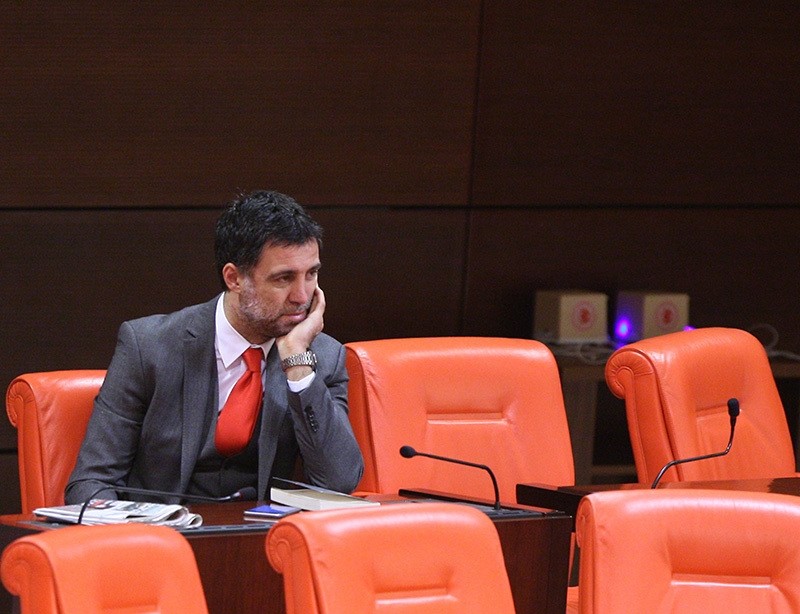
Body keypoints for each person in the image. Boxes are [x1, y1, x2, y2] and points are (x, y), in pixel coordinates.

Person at [65, 190, 364, 504]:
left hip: (264, 543)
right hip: (163, 540)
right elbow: (92, 482)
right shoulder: (149, 347)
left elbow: (339, 481)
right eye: (283, 278)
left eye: (311, 274)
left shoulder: (322, 356)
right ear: (234, 278)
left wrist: (298, 365)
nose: (302, 296)